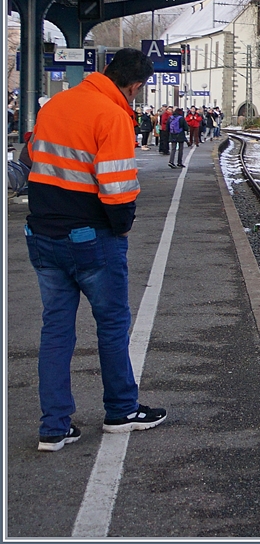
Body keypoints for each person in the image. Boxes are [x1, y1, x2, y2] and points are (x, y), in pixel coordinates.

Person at [24, 48, 167, 452]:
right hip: (90, 239)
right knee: (112, 325)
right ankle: (121, 410)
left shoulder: (56, 104)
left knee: (55, 330)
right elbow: (117, 190)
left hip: (43, 236)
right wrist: (121, 230)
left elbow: (31, 158)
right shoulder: (113, 115)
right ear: (135, 85)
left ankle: (53, 427)